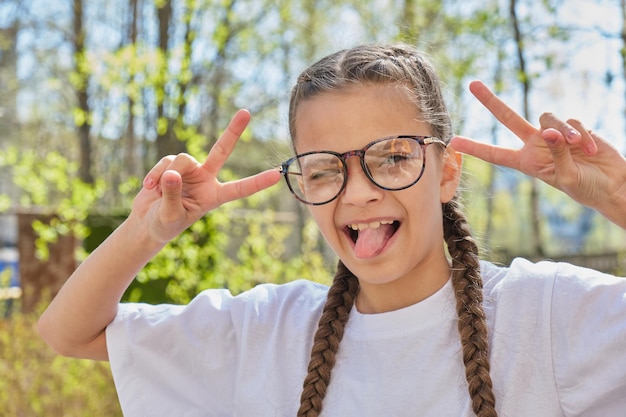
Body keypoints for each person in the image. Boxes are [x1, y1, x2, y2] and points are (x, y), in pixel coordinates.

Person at [37, 43, 626, 417]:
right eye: (324, 169)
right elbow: (68, 332)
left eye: (393, 158)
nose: (359, 191)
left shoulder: (545, 317)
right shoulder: (267, 332)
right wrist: (146, 230)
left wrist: (618, 195)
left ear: (447, 173)